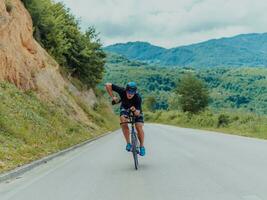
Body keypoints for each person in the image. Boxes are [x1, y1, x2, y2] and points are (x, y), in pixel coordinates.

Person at [105, 82, 146, 156]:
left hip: (136, 110)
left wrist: (133, 110)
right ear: (126, 90)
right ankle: (128, 143)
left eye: (132, 92)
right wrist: (113, 97)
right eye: (129, 91)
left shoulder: (138, 97)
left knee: (139, 127)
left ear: (135, 92)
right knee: (123, 121)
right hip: (125, 108)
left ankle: (142, 146)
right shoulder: (122, 91)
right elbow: (108, 85)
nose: (130, 94)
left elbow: (137, 113)